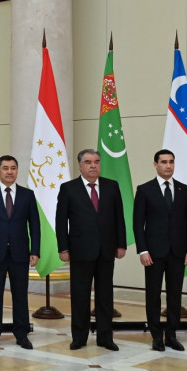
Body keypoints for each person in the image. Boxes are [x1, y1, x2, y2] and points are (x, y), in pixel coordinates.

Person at [56, 149, 126, 351]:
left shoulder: (111, 186)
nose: (93, 165)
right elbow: (61, 221)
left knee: (105, 296)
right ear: (80, 166)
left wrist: (121, 244)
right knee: (80, 296)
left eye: (96, 161)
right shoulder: (68, 188)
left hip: (106, 250)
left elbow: (119, 218)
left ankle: (105, 337)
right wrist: (63, 248)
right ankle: (79, 337)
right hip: (80, 251)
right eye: (88, 162)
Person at [0, 155, 39, 350]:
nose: (9, 171)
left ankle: (22, 334)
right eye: (5, 168)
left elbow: (35, 225)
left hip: (20, 253)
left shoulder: (27, 195)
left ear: (17, 170)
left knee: (20, 296)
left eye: (13, 168)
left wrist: (35, 250)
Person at [133, 149, 187, 352]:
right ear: (155, 164)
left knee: (174, 295)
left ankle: (171, 335)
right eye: (164, 162)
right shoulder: (145, 190)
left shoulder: (184, 189)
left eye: (171, 162)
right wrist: (143, 251)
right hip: (153, 253)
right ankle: (156, 335)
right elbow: (138, 224)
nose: (168, 165)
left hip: (178, 252)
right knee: (153, 295)